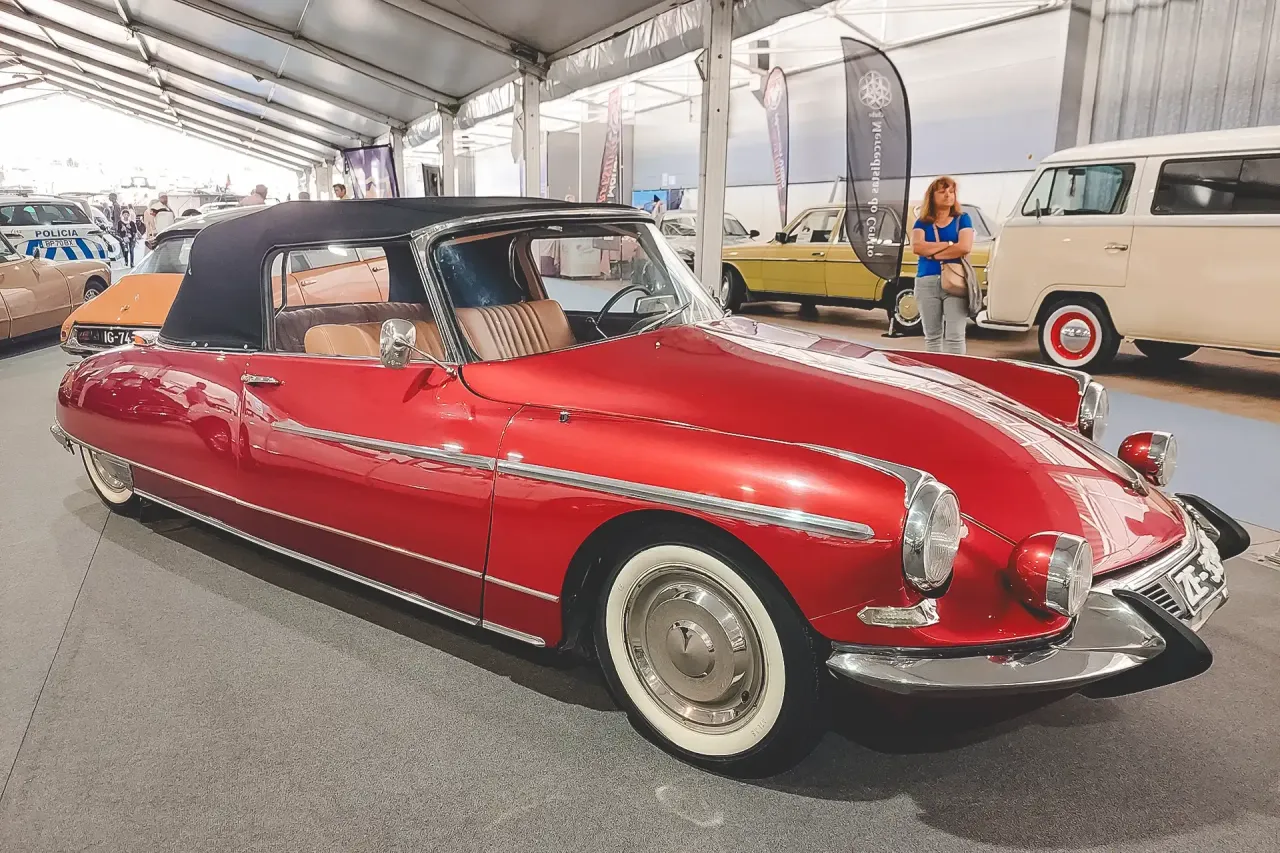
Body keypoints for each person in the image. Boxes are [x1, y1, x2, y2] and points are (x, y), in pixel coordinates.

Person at [910, 176, 974, 354]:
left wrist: (932, 253)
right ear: (932, 196)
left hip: (955, 282)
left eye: (951, 192)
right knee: (932, 336)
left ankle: (956, 370)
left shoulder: (963, 219)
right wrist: (949, 244)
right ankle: (935, 370)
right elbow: (917, 247)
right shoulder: (922, 222)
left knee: (955, 336)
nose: (948, 195)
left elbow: (964, 247)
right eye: (942, 191)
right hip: (926, 281)